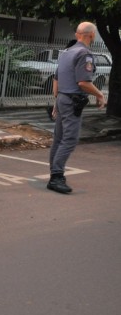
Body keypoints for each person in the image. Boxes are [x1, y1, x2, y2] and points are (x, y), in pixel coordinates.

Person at [47, 22, 107, 194]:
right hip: (72, 101)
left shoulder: (67, 52)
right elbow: (83, 83)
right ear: (92, 36)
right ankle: (56, 177)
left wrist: (56, 102)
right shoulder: (84, 54)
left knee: (59, 139)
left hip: (63, 99)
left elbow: (56, 78)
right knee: (70, 139)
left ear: (77, 35)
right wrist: (100, 95)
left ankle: (55, 173)